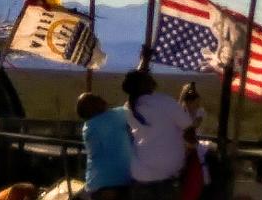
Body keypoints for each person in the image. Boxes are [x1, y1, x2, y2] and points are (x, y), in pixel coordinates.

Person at [122, 70, 196, 200]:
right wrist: (189, 151)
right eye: (148, 77)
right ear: (144, 84)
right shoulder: (165, 101)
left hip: (141, 174)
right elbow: (189, 131)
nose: (152, 79)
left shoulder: (128, 107)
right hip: (168, 177)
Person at [77, 92, 133, 200]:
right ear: (96, 105)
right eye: (97, 98)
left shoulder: (88, 127)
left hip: (97, 184)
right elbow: (132, 105)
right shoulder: (116, 116)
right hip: (121, 181)